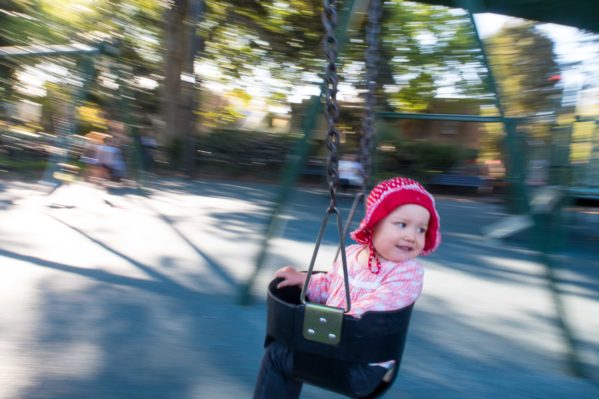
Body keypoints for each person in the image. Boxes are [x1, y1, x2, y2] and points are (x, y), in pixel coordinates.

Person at [253, 176, 441, 399]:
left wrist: (336, 320)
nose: (411, 236)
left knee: (277, 354)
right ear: (375, 223)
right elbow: (330, 287)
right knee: (284, 349)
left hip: (363, 366)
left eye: (421, 229)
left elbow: (379, 304)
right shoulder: (352, 254)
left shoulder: (407, 273)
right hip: (332, 350)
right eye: (402, 224)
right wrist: (305, 280)